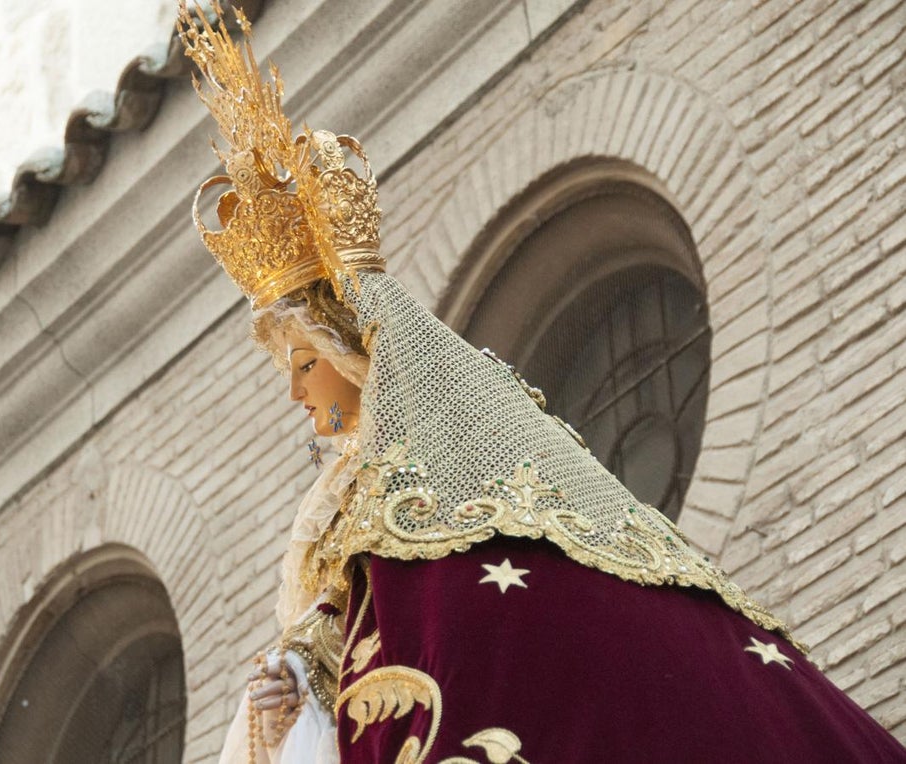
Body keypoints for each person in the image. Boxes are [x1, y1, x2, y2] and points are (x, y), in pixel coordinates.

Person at [177, 4, 906, 762]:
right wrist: (291, 687)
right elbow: (346, 641)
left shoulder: (429, 462)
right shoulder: (335, 506)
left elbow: (451, 615)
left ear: (348, 351)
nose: (297, 394)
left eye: (303, 364)